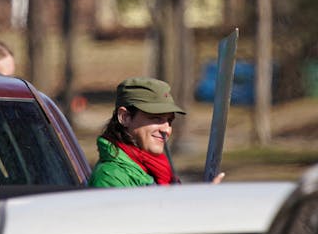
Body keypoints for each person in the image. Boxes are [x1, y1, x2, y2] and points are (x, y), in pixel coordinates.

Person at [89, 76, 224, 187]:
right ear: (125, 117)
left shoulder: (158, 169)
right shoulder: (110, 177)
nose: (166, 129)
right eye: (155, 118)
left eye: (169, 121)